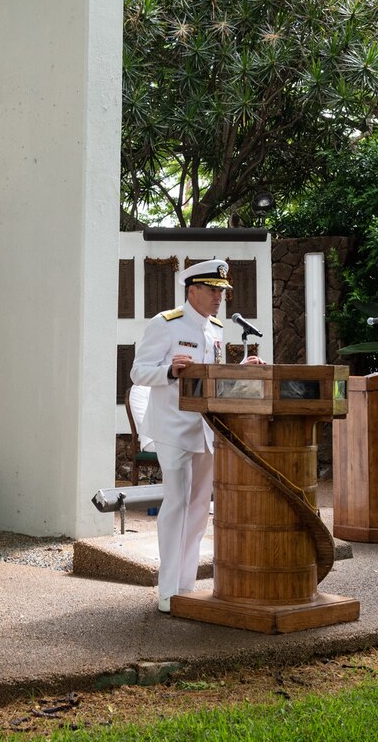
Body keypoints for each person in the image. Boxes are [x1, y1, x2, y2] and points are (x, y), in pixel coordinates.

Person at [130, 259, 260, 613]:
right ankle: (167, 591)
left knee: (200, 508)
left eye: (222, 292)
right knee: (178, 503)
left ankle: (185, 588)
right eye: (214, 290)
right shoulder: (165, 323)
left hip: (205, 429)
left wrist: (239, 370)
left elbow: (211, 375)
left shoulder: (215, 329)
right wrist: (169, 372)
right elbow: (138, 372)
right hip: (173, 427)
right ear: (193, 291)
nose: (220, 297)